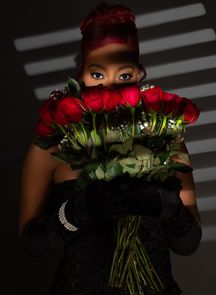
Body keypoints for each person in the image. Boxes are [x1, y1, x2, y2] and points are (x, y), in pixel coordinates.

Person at [18, 3, 202, 295]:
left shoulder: (166, 138)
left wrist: (165, 206)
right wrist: (77, 212)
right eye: (97, 75)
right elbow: (32, 244)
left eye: (124, 75)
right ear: (82, 75)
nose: (109, 88)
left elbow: (188, 244)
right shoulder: (52, 145)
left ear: (139, 75)